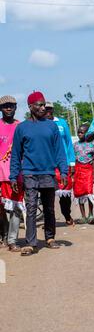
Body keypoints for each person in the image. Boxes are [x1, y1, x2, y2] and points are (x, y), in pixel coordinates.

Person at [10, 91, 68, 256]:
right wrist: (13, 176)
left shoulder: (51, 126)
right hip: (29, 173)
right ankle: (30, 243)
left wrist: (63, 171)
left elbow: (59, 151)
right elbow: (16, 154)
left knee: (49, 208)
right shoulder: (22, 128)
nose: (43, 108)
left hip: (48, 173)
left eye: (44, 105)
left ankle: (50, 238)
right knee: (31, 207)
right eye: (40, 105)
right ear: (30, 107)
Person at [45, 102, 75, 226]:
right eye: (45, 109)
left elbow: (68, 142)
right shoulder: (41, 124)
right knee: (48, 195)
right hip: (48, 164)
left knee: (65, 194)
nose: (47, 111)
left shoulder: (62, 123)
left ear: (53, 109)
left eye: (49, 109)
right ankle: (49, 221)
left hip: (63, 163)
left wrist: (72, 162)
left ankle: (67, 215)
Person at [0, 96, 24, 252]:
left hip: (16, 174)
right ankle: (3, 235)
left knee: (15, 207)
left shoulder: (21, 126)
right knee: (1, 208)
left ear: (16, 108)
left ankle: (12, 240)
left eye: (11, 106)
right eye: (5, 106)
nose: (8, 108)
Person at [73, 124, 94, 224]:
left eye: (82, 132)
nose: (79, 134)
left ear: (87, 133)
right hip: (78, 170)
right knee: (79, 192)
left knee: (89, 192)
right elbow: (72, 159)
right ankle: (83, 216)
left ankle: (91, 215)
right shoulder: (75, 145)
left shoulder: (92, 145)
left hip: (88, 170)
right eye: (78, 132)